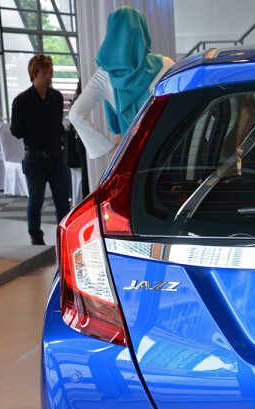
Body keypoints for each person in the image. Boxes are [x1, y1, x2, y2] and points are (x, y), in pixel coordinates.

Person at [69, 6, 174, 161]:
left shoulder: (104, 75)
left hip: (132, 158)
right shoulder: (166, 65)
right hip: (168, 150)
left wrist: (111, 148)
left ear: (112, 34)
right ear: (142, 32)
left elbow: (75, 114)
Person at [10, 54, 71, 245]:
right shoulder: (22, 101)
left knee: (63, 200)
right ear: (33, 74)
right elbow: (16, 130)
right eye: (45, 73)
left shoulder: (56, 97)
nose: (49, 77)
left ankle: (65, 235)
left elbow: (58, 125)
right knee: (36, 199)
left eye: (51, 72)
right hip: (35, 157)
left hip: (57, 155)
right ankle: (35, 235)